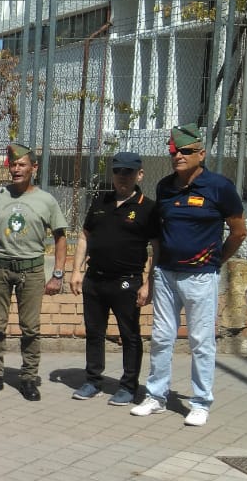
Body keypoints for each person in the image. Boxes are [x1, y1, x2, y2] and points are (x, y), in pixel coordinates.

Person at [131, 123, 246, 427]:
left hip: (200, 277)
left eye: (185, 151)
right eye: (174, 151)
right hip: (166, 275)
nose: (178, 156)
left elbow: (238, 231)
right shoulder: (165, 186)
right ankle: (156, 397)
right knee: (161, 338)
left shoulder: (219, 187)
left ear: (201, 153)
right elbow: (159, 235)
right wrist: (151, 275)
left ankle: (200, 402)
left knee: (200, 341)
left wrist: (217, 259)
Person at [0, 142, 68, 402]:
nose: (16, 169)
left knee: (30, 328)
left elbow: (61, 238)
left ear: (33, 168)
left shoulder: (46, 200)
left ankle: (28, 378)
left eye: (22, 164)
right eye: (13, 165)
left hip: (32, 270)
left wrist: (58, 274)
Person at [69, 151, 158, 407]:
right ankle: (93, 382)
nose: (123, 177)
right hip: (95, 279)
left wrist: (148, 283)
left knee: (129, 335)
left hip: (127, 282)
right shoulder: (100, 201)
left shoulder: (147, 207)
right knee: (94, 333)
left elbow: (157, 248)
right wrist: (76, 271)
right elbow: (85, 236)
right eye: (119, 171)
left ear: (139, 174)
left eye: (129, 172)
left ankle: (129, 386)